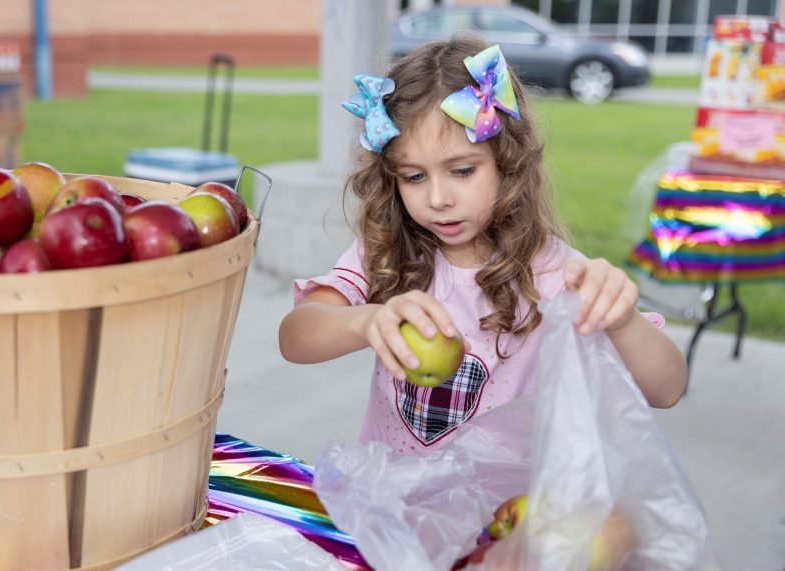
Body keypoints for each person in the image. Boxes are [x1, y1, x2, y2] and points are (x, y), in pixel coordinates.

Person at [278, 36, 688, 456]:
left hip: (500, 513)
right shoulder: (387, 252)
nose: (438, 198)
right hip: (392, 505)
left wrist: (621, 322)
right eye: (414, 177)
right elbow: (295, 339)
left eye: (461, 170)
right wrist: (365, 322)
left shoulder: (554, 274)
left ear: (507, 164)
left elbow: (667, 389)